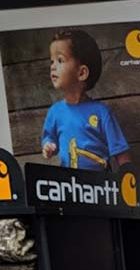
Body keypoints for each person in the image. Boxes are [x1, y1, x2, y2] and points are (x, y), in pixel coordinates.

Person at [41, 28, 131, 170]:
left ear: (82, 72)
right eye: (51, 61)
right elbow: (49, 137)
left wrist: (128, 181)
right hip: (69, 185)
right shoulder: (55, 112)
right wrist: (48, 145)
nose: (52, 67)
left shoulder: (102, 113)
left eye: (60, 60)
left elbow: (121, 154)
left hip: (99, 187)